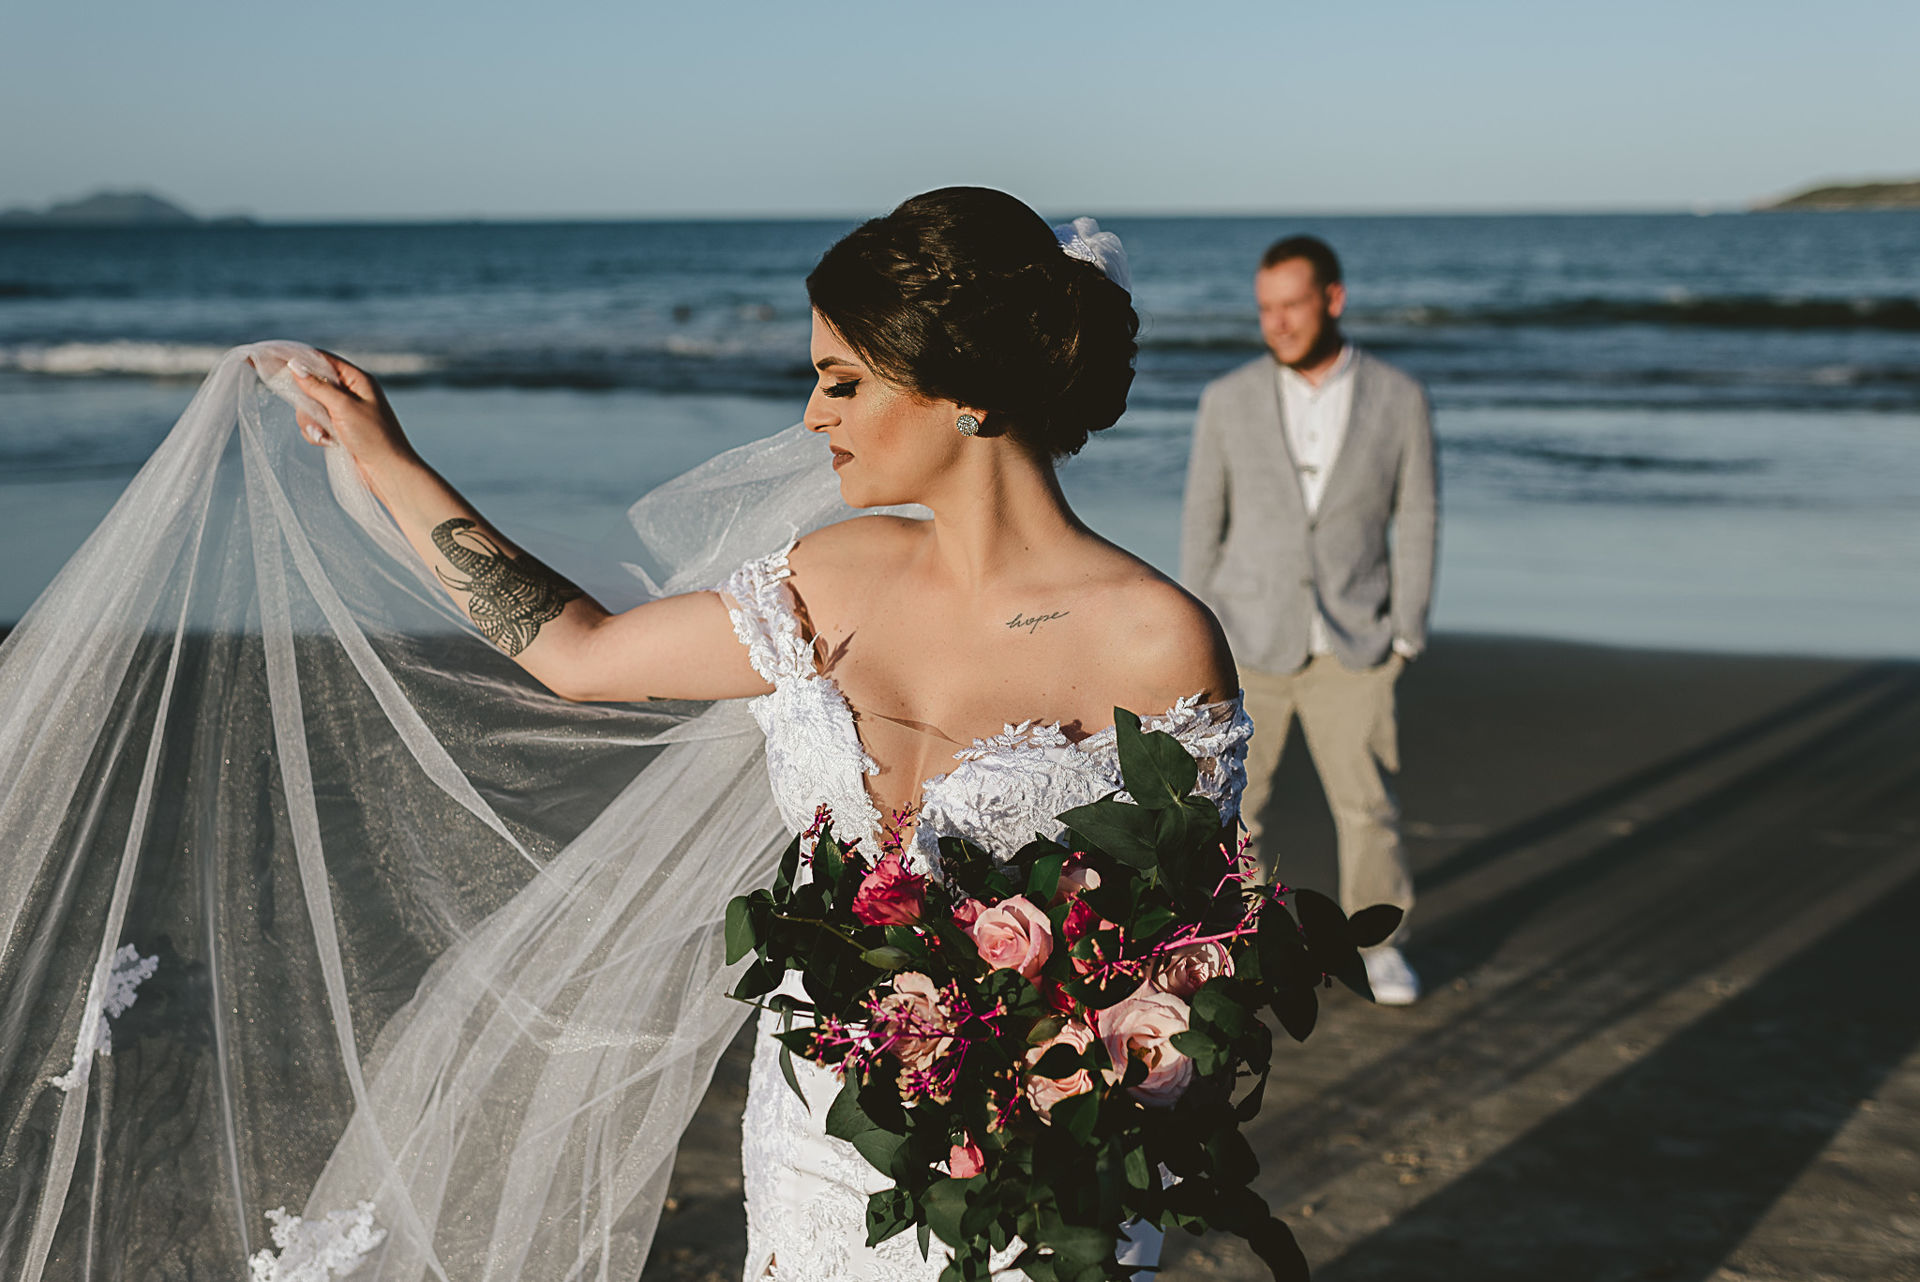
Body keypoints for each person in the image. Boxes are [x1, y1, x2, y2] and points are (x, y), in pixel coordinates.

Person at [0, 189, 1248, 1281]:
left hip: (1028, 1170)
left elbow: (1192, 959)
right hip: (819, 1134)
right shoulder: (831, 575)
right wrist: (388, 460)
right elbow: (576, 651)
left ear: (962, 386)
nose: (814, 416)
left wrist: (1057, 1071)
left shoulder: (1153, 641)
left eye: (844, 379)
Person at [1180, 234, 1436, 1006]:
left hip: (1356, 640)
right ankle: (1243, 943)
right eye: (1265, 309)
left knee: (1366, 807)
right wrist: (1194, 636)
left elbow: (1417, 513)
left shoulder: (1399, 396)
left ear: (1332, 299)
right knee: (1238, 806)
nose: (1278, 323)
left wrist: (1407, 630)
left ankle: (1381, 945)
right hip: (1248, 637)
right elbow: (1203, 521)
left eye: (1292, 305)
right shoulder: (1226, 400)